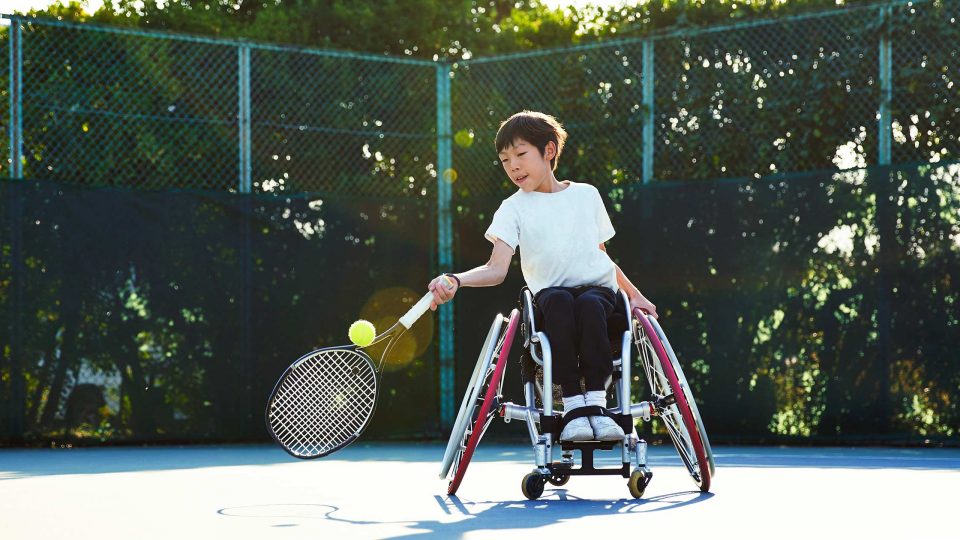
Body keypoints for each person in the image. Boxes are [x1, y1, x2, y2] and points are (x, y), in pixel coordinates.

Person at [427, 110, 658, 442]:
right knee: (560, 302)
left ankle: (596, 404)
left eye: (521, 154)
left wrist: (635, 295)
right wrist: (457, 279)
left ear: (548, 151)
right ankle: (575, 409)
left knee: (591, 305)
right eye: (505, 160)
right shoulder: (512, 208)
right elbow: (495, 269)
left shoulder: (586, 195)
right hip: (551, 299)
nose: (513, 166)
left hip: (600, 295)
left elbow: (601, 255)